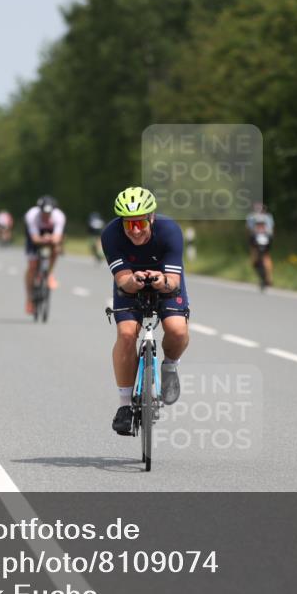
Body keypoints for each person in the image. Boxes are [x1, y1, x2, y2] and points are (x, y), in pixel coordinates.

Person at [101, 186, 189, 435]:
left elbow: (172, 281)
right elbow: (122, 280)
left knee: (177, 330)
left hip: (166, 279)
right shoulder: (111, 234)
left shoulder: (169, 230)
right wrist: (135, 280)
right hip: (130, 283)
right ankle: (125, 405)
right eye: (129, 225)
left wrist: (160, 281)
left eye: (140, 223)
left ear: (151, 217)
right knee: (127, 334)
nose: (135, 231)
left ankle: (170, 366)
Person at [23, 195, 66, 314]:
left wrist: (51, 239)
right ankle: (29, 298)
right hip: (35, 234)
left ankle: (49, 273)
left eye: (49, 213)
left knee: (57, 249)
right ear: (39, 210)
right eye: (44, 213)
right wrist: (44, 239)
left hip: (51, 234)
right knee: (32, 266)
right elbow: (35, 238)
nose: (46, 215)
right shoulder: (32, 216)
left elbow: (57, 238)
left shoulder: (59, 216)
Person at [245, 201, 275, 287]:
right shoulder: (268, 217)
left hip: (255, 239)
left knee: (254, 257)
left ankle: (262, 277)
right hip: (268, 238)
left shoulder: (251, 216)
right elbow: (271, 230)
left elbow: (248, 229)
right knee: (266, 256)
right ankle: (269, 277)